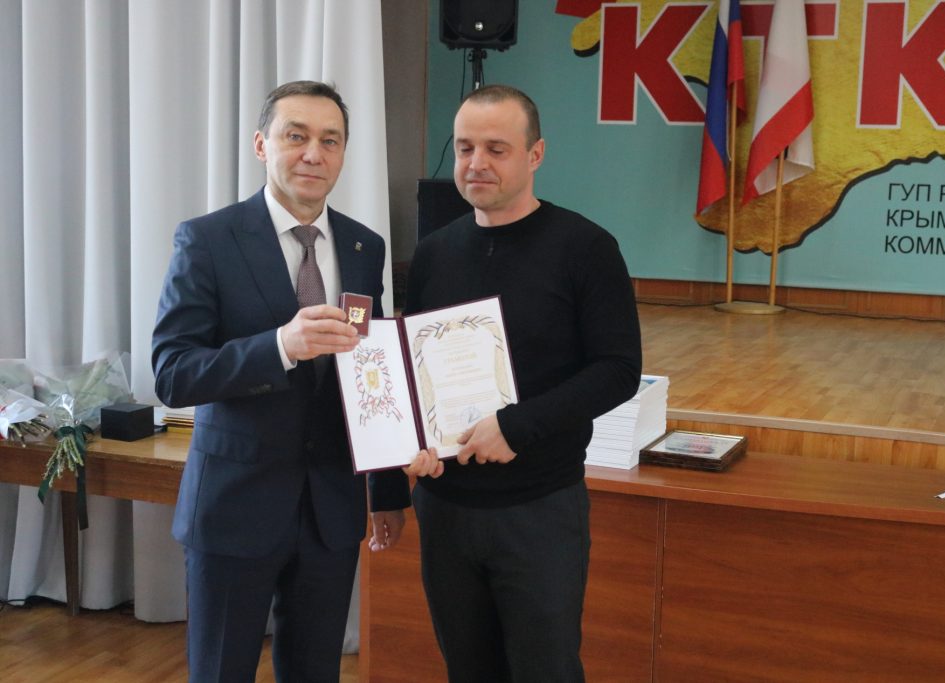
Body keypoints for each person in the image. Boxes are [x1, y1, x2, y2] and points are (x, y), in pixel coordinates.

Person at [152, 80, 440, 683]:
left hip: (330, 512)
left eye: (330, 140)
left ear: (344, 153)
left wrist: (387, 490)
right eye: (296, 136)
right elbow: (173, 373)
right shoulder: (208, 240)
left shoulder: (364, 246)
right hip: (234, 509)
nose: (314, 153)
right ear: (262, 145)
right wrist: (280, 347)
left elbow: (370, 375)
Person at [404, 84, 643, 682]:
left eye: (496, 148)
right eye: (464, 147)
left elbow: (618, 369)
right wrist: (412, 442)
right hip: (445, 508)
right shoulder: (432, 254)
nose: (475, 163)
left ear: (535, 154)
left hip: (539, 509)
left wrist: (516, 428)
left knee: (545, 670)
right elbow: (415, 374)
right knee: (467, 670)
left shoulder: (586, 248)